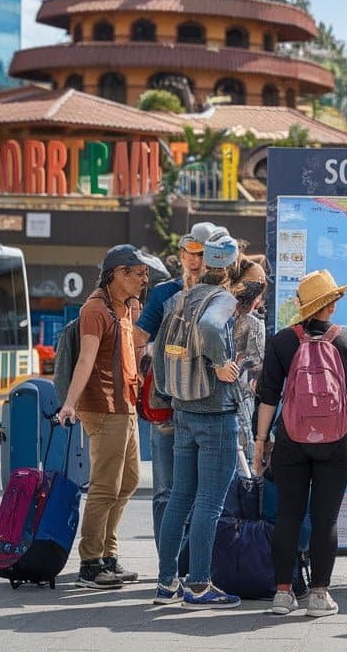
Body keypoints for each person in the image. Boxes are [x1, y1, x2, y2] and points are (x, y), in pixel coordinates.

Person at [254, 269, 347, 617]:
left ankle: (282, 594)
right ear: (331, 305)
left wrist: (261, 442)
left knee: (288, 515)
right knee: (325, 519)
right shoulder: (346, 340)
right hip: (335, 442)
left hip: (291, 439)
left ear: (303, 306)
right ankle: (319, 595)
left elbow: (268, 398)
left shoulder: (282, 342)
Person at [153, 233, 244, 609]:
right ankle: (200, 585)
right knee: (209, 503)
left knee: (180, 498)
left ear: (205, 263)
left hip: (184, 409)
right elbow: (209, 327)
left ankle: (166, 583)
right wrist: (222, 365)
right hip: (215, 414)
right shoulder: (223, 299)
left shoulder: (183, 295)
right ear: (232, 267)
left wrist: (167, 389)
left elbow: (159, 349)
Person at [55, 244, 150, 589]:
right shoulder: (95, 310)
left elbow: (134, 354)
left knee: (128, 482)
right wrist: (69, 404)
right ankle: (90, 563)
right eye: (138, 274)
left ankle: (108, 555)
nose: (144, 280)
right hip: (103, 407)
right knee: (104, 487)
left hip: (125, 404)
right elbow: (85, 360)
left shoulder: (123, 308)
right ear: (118, 274)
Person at [137, 222, 219, 552]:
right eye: (190, 251)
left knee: (208, 492)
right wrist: (157, 357)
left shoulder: (222, 295)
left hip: (209, 405)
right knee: (167, 490)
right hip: (170, 405)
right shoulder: (164, 294)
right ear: (182, 254)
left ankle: (196, 563)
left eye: (202, 253)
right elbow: (138, 341)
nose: (194, 259)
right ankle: (167, 563)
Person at [231, 280, 266, 456]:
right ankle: (247, 478)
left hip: (223, 385)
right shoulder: (254, 323)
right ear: (256, 300)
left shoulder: (229, 318)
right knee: (245, 435)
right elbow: (258, 359)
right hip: (244, 388)